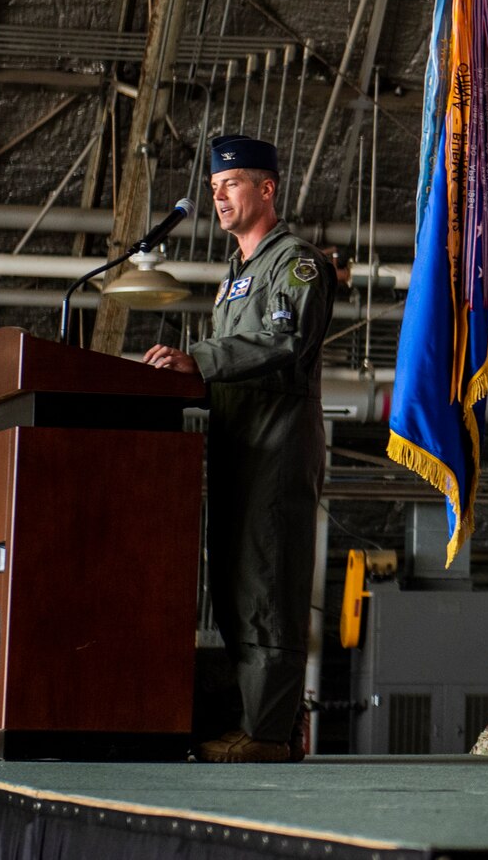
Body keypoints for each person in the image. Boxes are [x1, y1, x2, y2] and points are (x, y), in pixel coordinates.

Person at [144, 134, 337, 764]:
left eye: (232, 185)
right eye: (214, 187)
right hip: (237, 448)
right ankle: (256, 723)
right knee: (235, 589)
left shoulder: (297, 262)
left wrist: (195, 359)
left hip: (275, 454)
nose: (220, 197)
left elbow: (282, 343)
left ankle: (269, 733)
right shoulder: (241, 275)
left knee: (267, 587)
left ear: (266, 189)